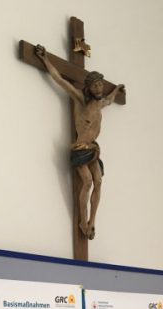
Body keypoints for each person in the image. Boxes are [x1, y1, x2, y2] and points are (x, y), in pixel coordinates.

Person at [35, 45, 125, 240]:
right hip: (80, 149)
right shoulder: (80, 100)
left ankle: (92, 221)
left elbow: (110, 99)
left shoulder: (100, 104)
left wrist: (117, 89)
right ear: (88, 87)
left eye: (101, 85)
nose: (99, 88)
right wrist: (45, 59)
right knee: (88, 181)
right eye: (95, 85)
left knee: (98, 181)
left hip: (93, 148)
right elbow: (60, 80)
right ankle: (83, 222)